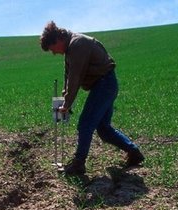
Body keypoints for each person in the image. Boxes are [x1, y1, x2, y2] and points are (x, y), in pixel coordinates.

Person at [40, 21, 145, 175]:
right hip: (104, 85)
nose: (54, 53)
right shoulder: (70, 49)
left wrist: (67, 104)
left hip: (104, 84)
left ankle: (79, 163)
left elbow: (75, 77)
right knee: (103, 129)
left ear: (57, 40)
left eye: (52, 49)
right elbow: (68, 78)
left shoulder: (77, 44)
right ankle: (134, 152)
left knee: (85, 124)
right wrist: (63, 100)